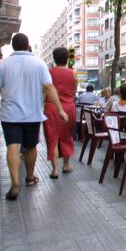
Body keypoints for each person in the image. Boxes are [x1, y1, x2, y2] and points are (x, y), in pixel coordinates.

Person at [0, 33, 69, 200]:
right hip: (33, 115)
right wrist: (60, 110)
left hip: (10, 115)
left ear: (13, 46)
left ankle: (15, 182)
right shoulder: (39, 64)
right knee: (31, 146)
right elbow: (49, 87)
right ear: (27, 45)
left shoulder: (1, 65)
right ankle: (30, 176)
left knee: (13, 146)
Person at [43, 47, 77, 178]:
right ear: (67, 58)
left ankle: (55, 169)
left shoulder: (48, 72)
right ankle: (66, 164)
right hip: (69, 107)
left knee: (53, 138)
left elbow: (45, 89)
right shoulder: (73, 73)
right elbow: (73, 92)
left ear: (54, 58)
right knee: (66, 136)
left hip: (51, 108)